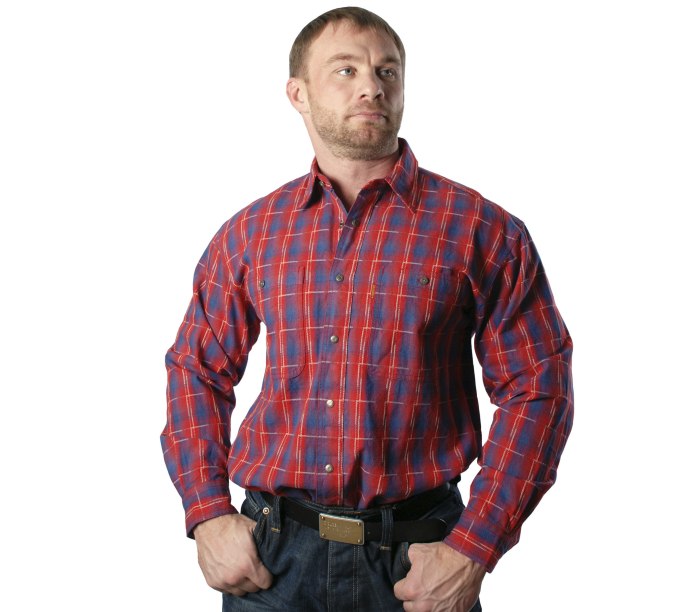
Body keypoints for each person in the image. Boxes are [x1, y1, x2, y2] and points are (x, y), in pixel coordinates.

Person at [161, 7, 573, 611]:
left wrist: (474, 546)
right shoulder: (251, 233)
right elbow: (196, 368)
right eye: (345, 69)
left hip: (420, 563)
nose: (372, 87)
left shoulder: (481, 229)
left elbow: (539, 387)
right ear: (297, 94)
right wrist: (207, 513)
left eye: (387, 71)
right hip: (272, 563)